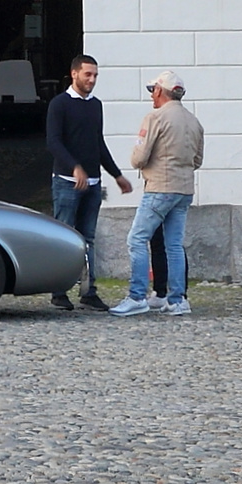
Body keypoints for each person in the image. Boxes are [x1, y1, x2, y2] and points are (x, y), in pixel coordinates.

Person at [111, 71, 204, 317]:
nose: (152, 94)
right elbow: (198, 160)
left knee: (137, 239)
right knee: (174, 245)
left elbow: (138, 158)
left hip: (160, 188)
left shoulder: (155, 118)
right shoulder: (194, 121)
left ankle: (137, 296)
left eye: (153, 89)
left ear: (161, 91)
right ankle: (177, 300)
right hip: (184, 189)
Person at [45, 54, 131, 311]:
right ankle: (58, 291)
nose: (92, 80)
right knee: (63, 236)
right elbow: (53, 142)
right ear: (74, 74)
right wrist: (74, 167)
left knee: (88, 238)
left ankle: (88, 290)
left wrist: (116, 174)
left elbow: (98, 143)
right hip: (66, 182)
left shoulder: (96, 105)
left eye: (95, 76)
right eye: (87, 75)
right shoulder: (60, 104)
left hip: (93, 182)